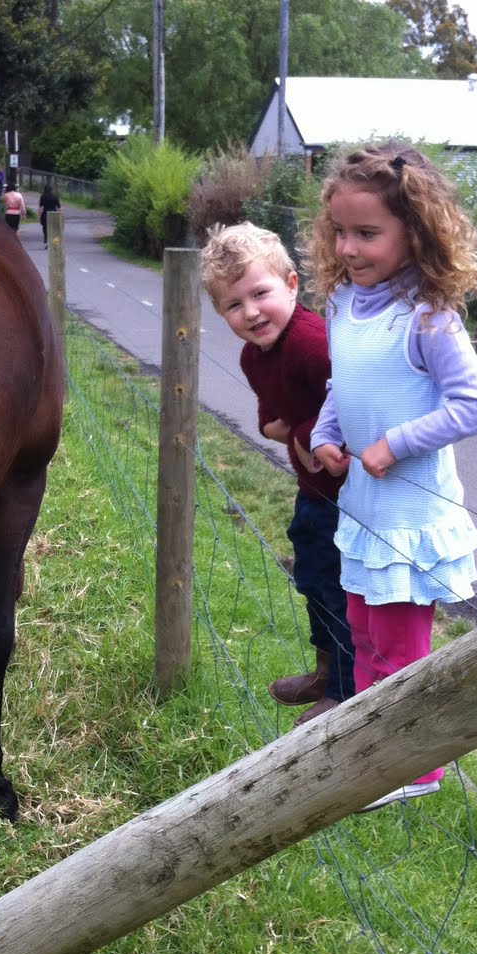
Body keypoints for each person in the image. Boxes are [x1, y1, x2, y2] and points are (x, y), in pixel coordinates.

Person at [307, 143, 477, 809]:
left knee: (397, 643)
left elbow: (475, 405)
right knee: (360, 630)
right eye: (340, 232)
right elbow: (343, 382)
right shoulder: (342, 304)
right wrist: (326, 433)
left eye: (367, 233)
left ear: (413, 233)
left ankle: (413, 767)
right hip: (363, 504)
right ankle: (372, 744)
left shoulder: (426, 315)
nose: (350, 248)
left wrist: (396, 441)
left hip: (410, 516)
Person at [200, 222, 355, 724]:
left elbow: (353, 399)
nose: (249, 312)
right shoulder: (254, 356)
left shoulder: (313, 342)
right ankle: (325, 669)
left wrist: (307, 432)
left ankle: (346, 689)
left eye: (260, 293)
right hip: (313, 489)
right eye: (232, 305)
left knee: (338, 586)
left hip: (351, 495)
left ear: (291, 285)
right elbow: (272, 415)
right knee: (312, 578)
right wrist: (278, 427)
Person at [38, 181, 61, 247]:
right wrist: (60, 215)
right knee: (54, 229)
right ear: (51, 189)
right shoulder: (55, 196)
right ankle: (53, 243)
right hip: (54, 214)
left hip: (45, 214)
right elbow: (59, 207)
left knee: (45, 228)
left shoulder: (43, 196)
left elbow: (41, 207)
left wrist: (39, 217)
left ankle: (46, 239)